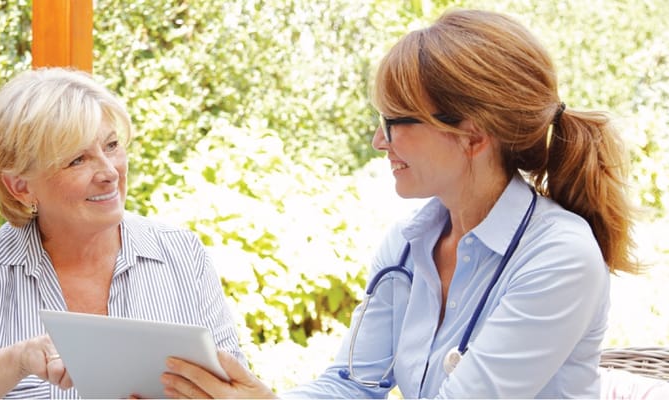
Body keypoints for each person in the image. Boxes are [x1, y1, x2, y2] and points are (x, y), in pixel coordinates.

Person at [160, 8, 637, 399]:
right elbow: (352, 383)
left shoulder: (559, 257)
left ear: (472, 136)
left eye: (394, 122)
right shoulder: (411, 242)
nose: (377, 141)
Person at [0, 67, 247, 398]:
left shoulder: (181, 253)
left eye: (111, 145)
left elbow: (237, 391)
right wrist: (18, 360)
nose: (109, 172)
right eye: (77, 160)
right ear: (20, 186)